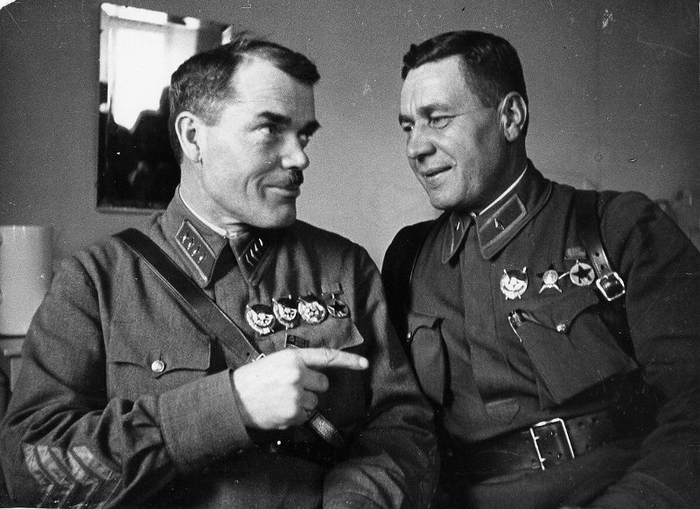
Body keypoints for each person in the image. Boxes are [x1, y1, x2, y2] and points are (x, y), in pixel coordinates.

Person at [0, 35, 437, 508]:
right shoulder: (95, 281)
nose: (300, 158)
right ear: (193, 137)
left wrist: (356, 501)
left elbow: (402, 428)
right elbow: (31, 467)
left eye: (304, 135)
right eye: (270, 129)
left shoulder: (344, 267)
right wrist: (231, 406)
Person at [382, 30, 700, 508]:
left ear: (511, 117)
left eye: (438, 120)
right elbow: (397, 429)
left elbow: (693, 409)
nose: (415, 147)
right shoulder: (409, 259)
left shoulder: (618, 229)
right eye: (408, 126)